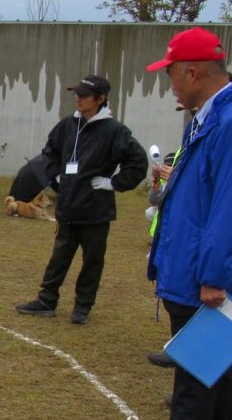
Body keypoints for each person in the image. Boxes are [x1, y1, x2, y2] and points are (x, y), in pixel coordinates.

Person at [112, 27, 232, 420]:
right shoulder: (210, 119)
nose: (171, 86)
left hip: (211, 276)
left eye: (174, 76)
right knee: (214, 375)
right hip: (193, 268)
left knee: (194, 375)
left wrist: (215, 275)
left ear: (194, 72)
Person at [14, 75, 148, 325]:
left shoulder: (115, 131)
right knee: (59, 256)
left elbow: (138, 162)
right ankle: (46, 300)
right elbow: (50, 152)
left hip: (96, 209)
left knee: (92, 260)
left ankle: (83, 307)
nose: (78, 99)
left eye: (84, 96)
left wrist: (114, 183)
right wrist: (57, 177)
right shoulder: (67, 125)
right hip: (69, 205)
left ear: (101, 99)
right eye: (76, 94)